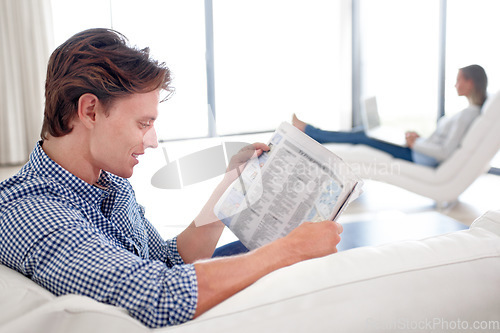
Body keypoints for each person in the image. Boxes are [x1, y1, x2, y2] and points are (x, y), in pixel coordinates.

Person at [0, 29, 343, 328]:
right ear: (90, 110)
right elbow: (158, 296)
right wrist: (290, 250)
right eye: (143, 123)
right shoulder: (27, 211)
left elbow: (169, 260)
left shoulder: (107, 181)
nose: (152, 141)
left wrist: (231, 185)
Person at [293, 65, 488, 167]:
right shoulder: (471, 113)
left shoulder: (467, 115)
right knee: (364, 132)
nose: (455, 85)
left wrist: (415, 144)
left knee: (364, 135)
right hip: (418, 150)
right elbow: (443, 143)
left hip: (417, 156)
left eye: (458, 80)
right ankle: (311, 132)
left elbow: (445, 151)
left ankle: (309, 131)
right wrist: (419, 139)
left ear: (470, 83)